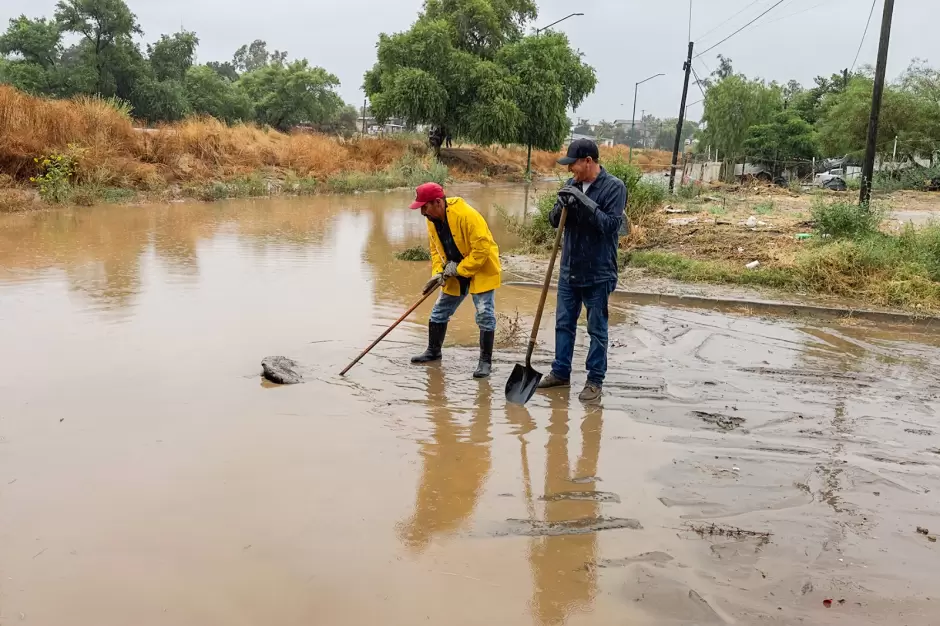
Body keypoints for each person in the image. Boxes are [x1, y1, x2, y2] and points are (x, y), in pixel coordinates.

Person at [537, 139, 626, 402]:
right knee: (564, 324)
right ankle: (560, 372)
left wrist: (584, 201)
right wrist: (562, 204)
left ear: (588, 161)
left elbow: (610, 225)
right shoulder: (571, 186)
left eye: (573, 164)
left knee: (596, 328)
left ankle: (594, 380)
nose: (570, 170)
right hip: (569, 269)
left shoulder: (614, 187)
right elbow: (555, 222)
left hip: (598, 271)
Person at [409, 182, 502, 379]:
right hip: (451, 270)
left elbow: (482, 249)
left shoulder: (467, 215)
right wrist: (438, 272)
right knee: (440, 310)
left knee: (485, 313)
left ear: (437, 202)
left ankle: (485, 363)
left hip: (480, 268)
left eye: (424, 207)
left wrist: (459, 269)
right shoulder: (431, 219)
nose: (422, 212)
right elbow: (435, 249)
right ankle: (433, 351)